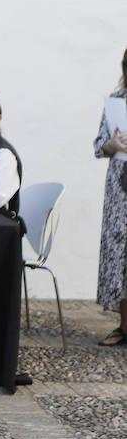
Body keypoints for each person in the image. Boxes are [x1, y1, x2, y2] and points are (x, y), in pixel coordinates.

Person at [95, 48, 127, 346]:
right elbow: (98, 145)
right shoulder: (116, 101)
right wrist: (113, 144)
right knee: (119, 256)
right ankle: (123, 325)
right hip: (120, 189)